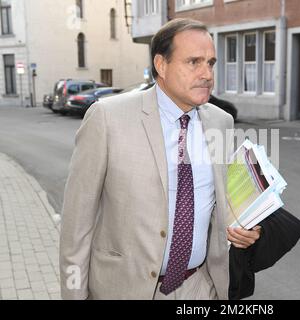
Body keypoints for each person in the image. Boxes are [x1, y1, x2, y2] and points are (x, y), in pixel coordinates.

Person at [59, 18, 260, 300]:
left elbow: (219, 204)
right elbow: (76, 225)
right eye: (194, 62)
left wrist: (243, 227)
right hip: (123, 290)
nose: (207, 74)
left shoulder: (221, 122)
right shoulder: (107, 117)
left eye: (211, 63)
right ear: (161, 65)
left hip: (200, 287)